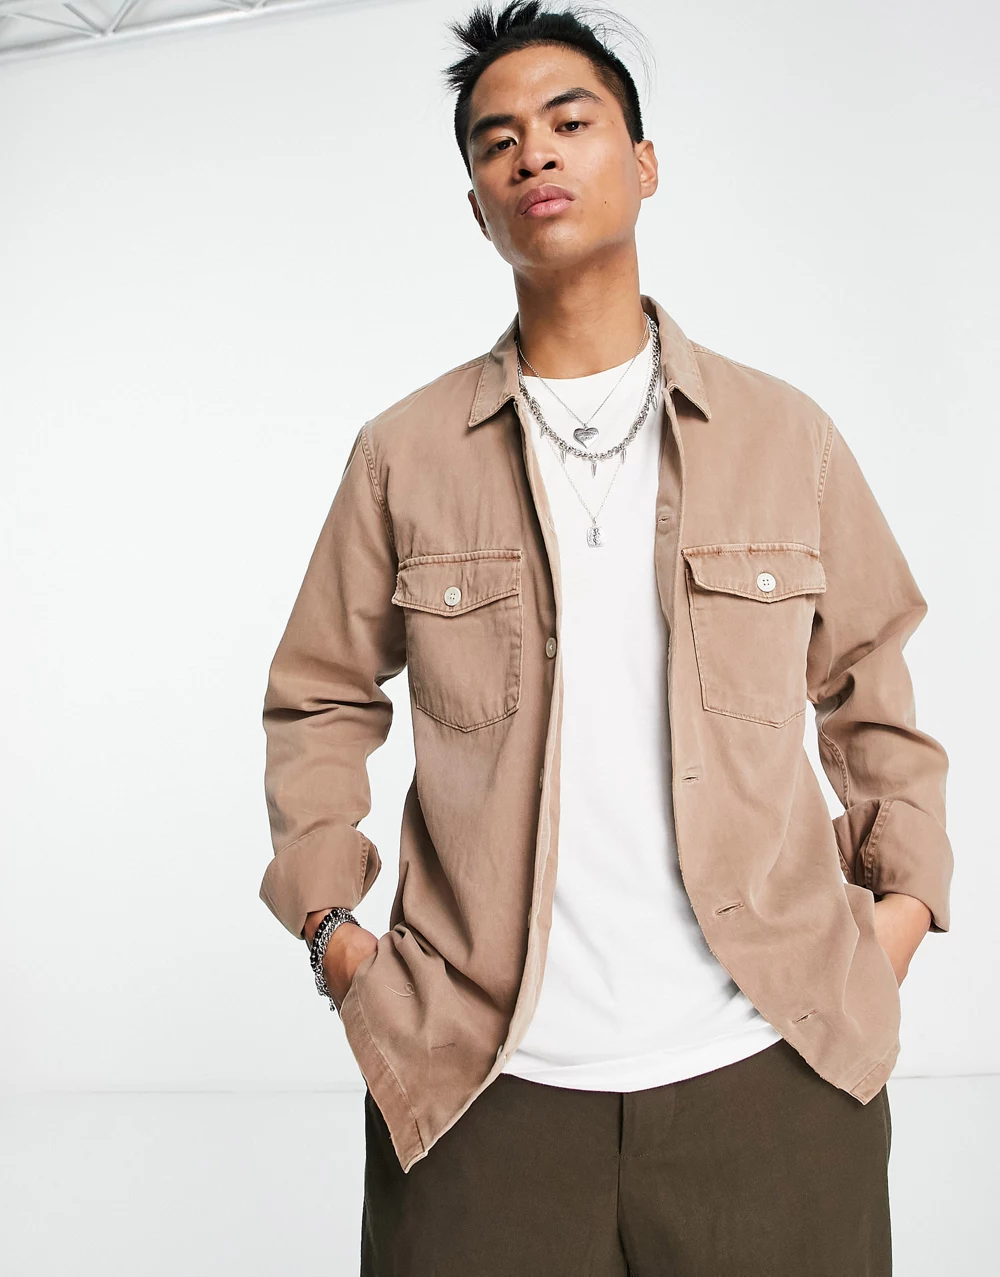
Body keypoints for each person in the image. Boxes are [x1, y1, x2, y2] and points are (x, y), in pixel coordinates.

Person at [258, 3, 954, 1273]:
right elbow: (319, 696)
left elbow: (872, 689)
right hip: (477, 1088)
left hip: (772, 1072)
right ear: (478, 207)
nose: (532, 152)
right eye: (497, 140)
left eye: (568, 122)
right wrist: (332, 934)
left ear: (643, 162)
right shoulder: (403, 455)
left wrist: (899, 911)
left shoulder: (783, 435)